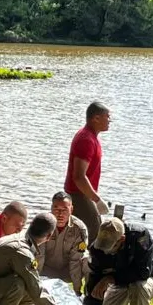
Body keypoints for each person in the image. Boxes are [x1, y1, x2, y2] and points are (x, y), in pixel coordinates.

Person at [64, 101, 111, 242]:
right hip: (78, 194)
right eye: (107, 116)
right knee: (94, 232)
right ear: (96, 118)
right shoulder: (86, 140)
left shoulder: (91, 137)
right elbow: (79, 177)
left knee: (80, 233)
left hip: (83, 193)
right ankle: (86, 262)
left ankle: (78, 259)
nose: (110, 120)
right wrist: (96, 200)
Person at [35, 192, 89, 296]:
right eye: (56, 209)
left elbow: (76, 260)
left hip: (67, 270)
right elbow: (39, 256)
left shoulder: (79, 228)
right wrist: (35, 285)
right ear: (51, 208)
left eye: (64, 210)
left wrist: (77, 290)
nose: (60, 214)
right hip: (46, 269)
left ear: (71, 210)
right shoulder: (42, 224)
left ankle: (89, 297)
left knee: (88, 260)